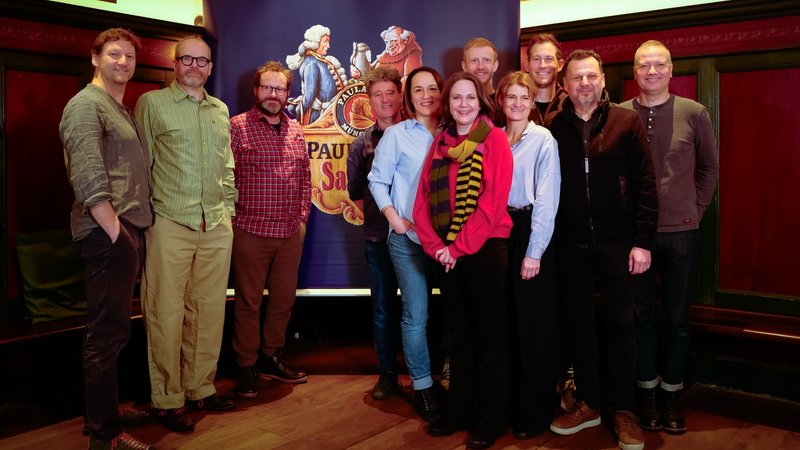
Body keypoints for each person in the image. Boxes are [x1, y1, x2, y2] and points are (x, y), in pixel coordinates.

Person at [547, 49, 658, 450]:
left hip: (619, 243)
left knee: (621, 325)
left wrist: (643, 241)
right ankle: (590, 403)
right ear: (565, 86)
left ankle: (624, 410)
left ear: (602, 80)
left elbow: (646, 184)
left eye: (591, 76)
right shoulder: (552, 126)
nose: (585, 84)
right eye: (576, 78)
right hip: (570, 242)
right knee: (578, 325)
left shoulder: (626, 122)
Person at [135, 36, 237, 433]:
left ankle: (200, 387)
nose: (195, 66)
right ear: (175, 64)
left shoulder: (219, 110)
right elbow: (141, 165)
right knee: (164, 310)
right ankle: (167, 399)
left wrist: (227, 208)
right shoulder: (153, 104)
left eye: (203, 61)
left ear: (210, 67)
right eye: (188, 59)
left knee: (209, 310)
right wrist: (146, 221)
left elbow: (226, 164)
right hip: (168, 221)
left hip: (214, 223)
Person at [60, 27, 155, 450]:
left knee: (115, 332)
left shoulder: (119, 107)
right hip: (106, 235)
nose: (123, 62)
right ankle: (104, 436)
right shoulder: (85, 106)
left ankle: (106, 414)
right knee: (105, 335)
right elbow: (88, 176)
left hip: (124, 231)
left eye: (129, 56)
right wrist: (118, 235)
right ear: (95, 58)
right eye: (114, 54)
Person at [620, 40, 719, 435]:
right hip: (634, 236)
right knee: (640, 316)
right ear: (636, 70)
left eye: (659, 65)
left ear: (671, 69)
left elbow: (710, 167)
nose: (653, 72)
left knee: (677, 319)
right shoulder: (620, 114)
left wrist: (694, 208)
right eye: (645, 66)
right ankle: (646, 393)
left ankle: (671, 394)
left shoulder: (694, 113)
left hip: (681, 232)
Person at [415, 72, 514, 450]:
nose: (463, 105)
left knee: (489, 336)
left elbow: (492, 204)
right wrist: (435, 246)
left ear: (480, 101)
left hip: (485, 249)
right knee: (459, 336)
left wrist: (455, 248)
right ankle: (459, 411)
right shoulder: (441, 142)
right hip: (447, 252)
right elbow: (422, 197)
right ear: (447, 103)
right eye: (456, 98)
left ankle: (489, 420)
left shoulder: (495, 140)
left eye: (469, 97)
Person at [230, 61, 312, 400]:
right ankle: (246, 366)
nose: (274, 94)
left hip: (291, 232)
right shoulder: (237, 128)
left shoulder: (296, 130)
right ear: (256, 90)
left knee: (282, 301)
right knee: (248, 303)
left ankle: (271, 356)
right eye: (268, 88)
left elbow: (306, 179)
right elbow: (224, 177)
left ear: (287, 93)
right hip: (250, 231)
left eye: (280, 89)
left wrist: (303, 216)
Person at [367, 66, 444, 423]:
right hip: (408, 239)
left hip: (449, 241)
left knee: (452, 313)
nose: (426, 95)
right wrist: (394, 219)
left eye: (432, 88)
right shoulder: (397, 134)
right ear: (408, 97)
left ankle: (450, 378)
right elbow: (377, 181)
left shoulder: (456, 130)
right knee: (416, 315)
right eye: (418, 90)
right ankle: (424, 386)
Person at [496, 71, 561, 440]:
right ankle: (509, 405)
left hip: (531, 232)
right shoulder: (493, 138)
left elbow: (547, 199)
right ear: (502, 101)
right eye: (511, 97)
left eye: (524, 97)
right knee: (506, 322)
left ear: (531, 101)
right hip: (498, 230)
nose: (518, 103)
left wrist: (533, 252)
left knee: (533, 326)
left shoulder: (543, 139)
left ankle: (534, 413)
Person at [346, 67, 404, 400]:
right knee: (383, 308)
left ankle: (421, 374)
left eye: (389, 93)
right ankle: (387, 374)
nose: (384, 100)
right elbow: (356, 192)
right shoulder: (362, 144)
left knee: (416, 308)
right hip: (378, 239)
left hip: (415, 239)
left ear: (400, 96)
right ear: (370, 102)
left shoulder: (418, 134)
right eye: (377, 95)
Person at [286, 24, 347, 124]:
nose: (328, 46)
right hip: (317, 117)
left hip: (331, 114)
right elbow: (309, 97)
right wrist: (300, 111)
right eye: (326, 42)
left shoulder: (318, 61)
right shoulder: (312, 64)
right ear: (316, 43)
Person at [526, 33, 567, 127]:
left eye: (549, 59)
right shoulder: (515, 106)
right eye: (536, 59)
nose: (542, 65)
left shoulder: (571, 105)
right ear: (527, 64)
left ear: (560, 65)